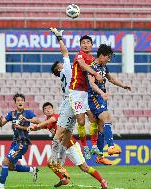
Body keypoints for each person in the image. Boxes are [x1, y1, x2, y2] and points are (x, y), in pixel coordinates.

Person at [49, 27, 113, 171]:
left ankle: (91, 148)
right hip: (72, 96)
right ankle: (58, 158)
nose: (62, 63)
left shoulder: (81, 62)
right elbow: (66, 52)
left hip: (83, 94)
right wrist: (59, 38)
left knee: (88, 122)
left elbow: (66, 53)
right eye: (83, 42)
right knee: (67, 129)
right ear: (58, 69)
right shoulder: (68, 66)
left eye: (88, 42)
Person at [27, 102, 108, 188]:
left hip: (71, 146)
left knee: (84, 168)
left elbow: (48, 122)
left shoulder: (56, 117)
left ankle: (102, 180)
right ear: (44, 112)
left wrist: (36, 126)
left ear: (53, 109)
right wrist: (28, 125)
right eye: (46, 109)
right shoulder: (48, 123)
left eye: (49, 108)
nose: (48, 110)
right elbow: (40, 126)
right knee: (50, 163)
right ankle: (63, 179)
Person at [87, 44, 131, 162]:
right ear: (101, 56)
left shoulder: (103, 66)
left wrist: (123, 85)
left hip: (101, 97)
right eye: (108, 57)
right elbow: (92, 83)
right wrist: (101, 93)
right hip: (94, 97)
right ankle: (111, 146)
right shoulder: (92, 67)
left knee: (101, 124)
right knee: (107, 116)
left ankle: (100, 156)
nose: (109, 60)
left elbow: (111, 79)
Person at [68, 33, 103, 160]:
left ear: (91, 45)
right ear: (80, 45)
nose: (86, 44)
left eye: (88, 42)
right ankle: (85, 147)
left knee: (93, 118)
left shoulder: (92, 58)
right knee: (81, 121)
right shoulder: (79, 55)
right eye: (83, 43)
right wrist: (95, 73)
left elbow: (99, 68)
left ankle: (94, 145)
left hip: (87, 92)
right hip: (76, 92)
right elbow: (83, 66)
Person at [0, 93, 40, 189]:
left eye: (21, 100)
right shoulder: (11, 114)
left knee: (5, 161)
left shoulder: (28, 113)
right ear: (15, 103)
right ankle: (32, 169)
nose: (20, 102)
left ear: (24, 102)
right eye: (18, 100)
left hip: (22, 143)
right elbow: (1, 124)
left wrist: (26, 119)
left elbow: (38, 121)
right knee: (11, 167)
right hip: (15, 143)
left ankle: (1, 186)